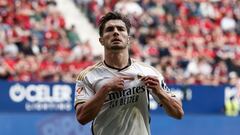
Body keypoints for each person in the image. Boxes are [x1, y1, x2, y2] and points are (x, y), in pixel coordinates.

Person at [74, 11, 184, 135]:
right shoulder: (88, 76)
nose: (115, 32)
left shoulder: (147, 71)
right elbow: (82, 117)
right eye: (110, 29)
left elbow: (178, 113)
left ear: (128, 39)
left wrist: (159, 91)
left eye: (121, 29)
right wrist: (105, 88)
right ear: (101, 41)